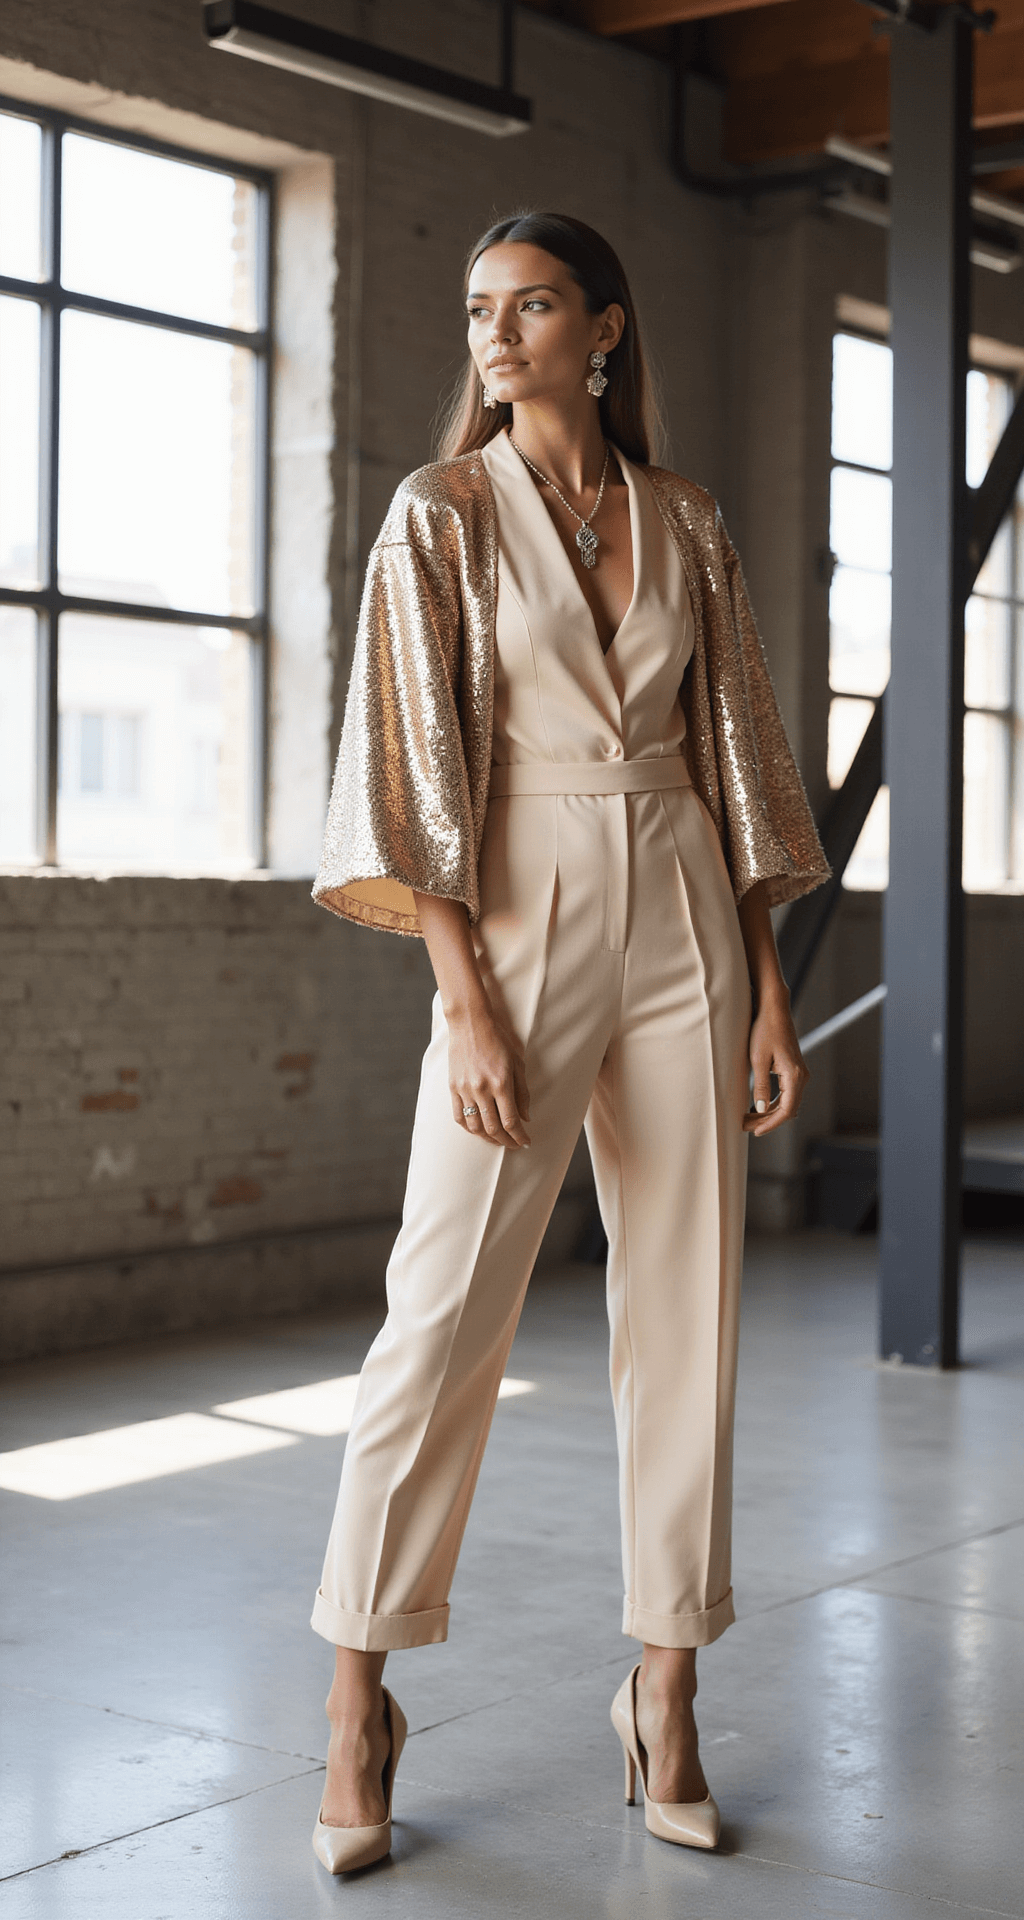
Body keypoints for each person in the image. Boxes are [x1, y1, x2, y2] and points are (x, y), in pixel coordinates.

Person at [308, 210, 828, 1874]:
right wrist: (463, 996)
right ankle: (357, 1701)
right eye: (478, 310)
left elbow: (737, 747)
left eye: (530, 307)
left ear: (603, 329)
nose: (497, 333)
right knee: (441, 1305)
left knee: (686, 1302)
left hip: (682, 896)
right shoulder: (439, 517)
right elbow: (412, 770)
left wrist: (766, 980)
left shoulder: (687, 519)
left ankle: (667, 1693)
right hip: (517, 910)